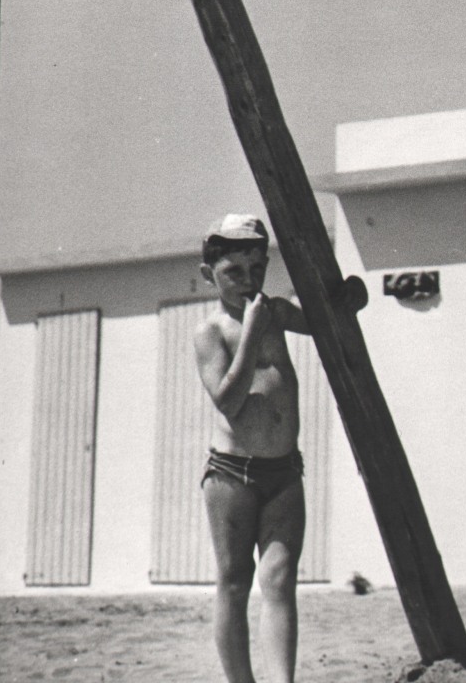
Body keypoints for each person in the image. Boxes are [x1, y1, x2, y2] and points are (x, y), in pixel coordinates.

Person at [194, 214, 311, 683]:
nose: (248, 282)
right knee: (236, 581)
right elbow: (229, 399)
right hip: (232, 474)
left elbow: (327, 320)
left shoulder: (275, 312)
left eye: (256, 268)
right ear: (210, 275)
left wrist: (352, 297)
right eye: (233, 272)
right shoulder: (212, 331)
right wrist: (255, 331)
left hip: (284, 470)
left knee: (280, 581)